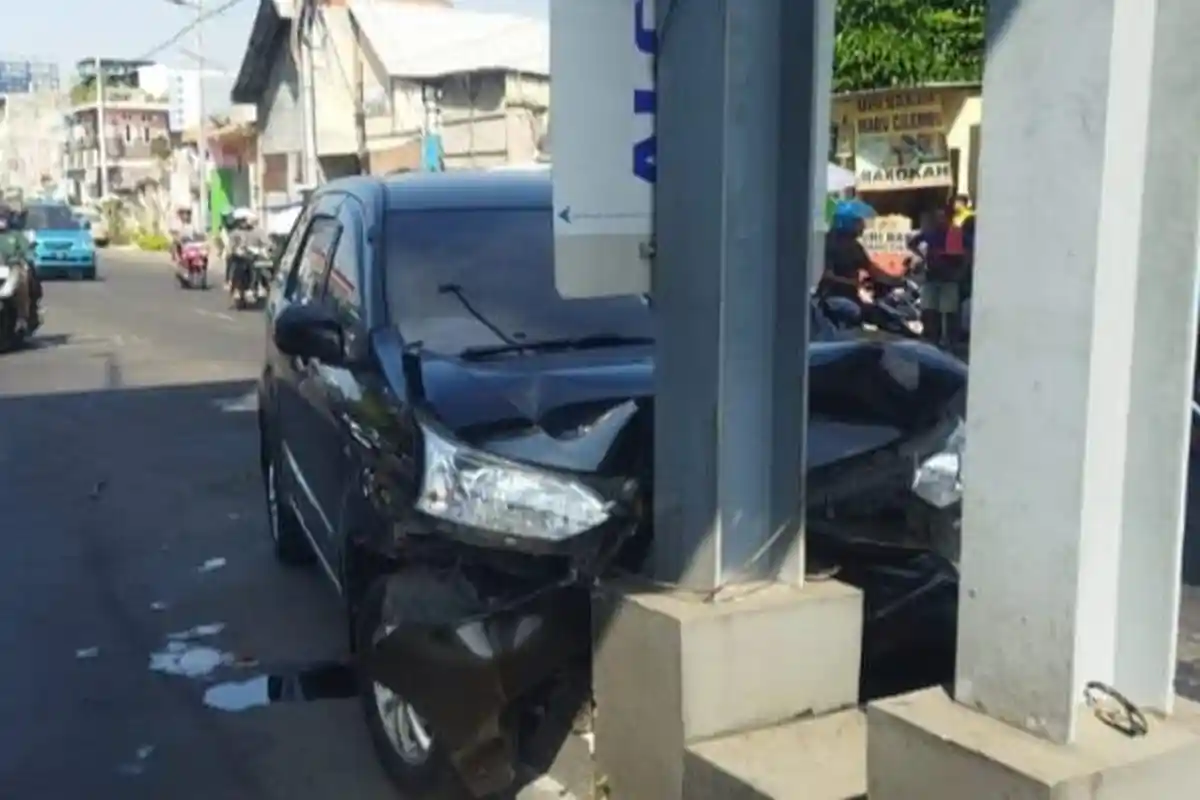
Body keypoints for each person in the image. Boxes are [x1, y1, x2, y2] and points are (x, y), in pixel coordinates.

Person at [0, 201, 42, 328]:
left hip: (13, 268)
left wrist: (26, 255)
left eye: (3, 217)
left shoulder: (16, 236)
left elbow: (26, 250)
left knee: (23, 280)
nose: (1, 221)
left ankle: (22, 318)